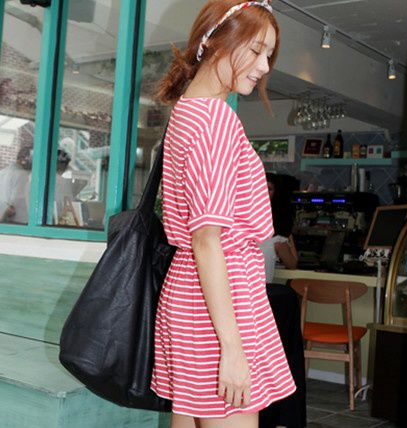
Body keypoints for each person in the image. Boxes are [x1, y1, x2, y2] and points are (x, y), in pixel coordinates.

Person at [150, 1, 296, 427]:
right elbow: (207, 239)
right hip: (222, 301)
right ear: (216, 43)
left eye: (269, 54)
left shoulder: (187, 112)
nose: (264, 66)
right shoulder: (215, 121)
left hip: (194, 295)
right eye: (256, 51)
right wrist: (232, 348)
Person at [259, 172, 306, 428]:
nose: (265, 193)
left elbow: (291, 263)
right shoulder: (274, 234)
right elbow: (293, 263)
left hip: (256, 302)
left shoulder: (270, 232)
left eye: (269, 189)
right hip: (263, 303)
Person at [0, 146, 31, 224]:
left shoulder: (2, 172)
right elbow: (15, 204)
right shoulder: (22, 174)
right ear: (24, 159)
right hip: (17, 223)